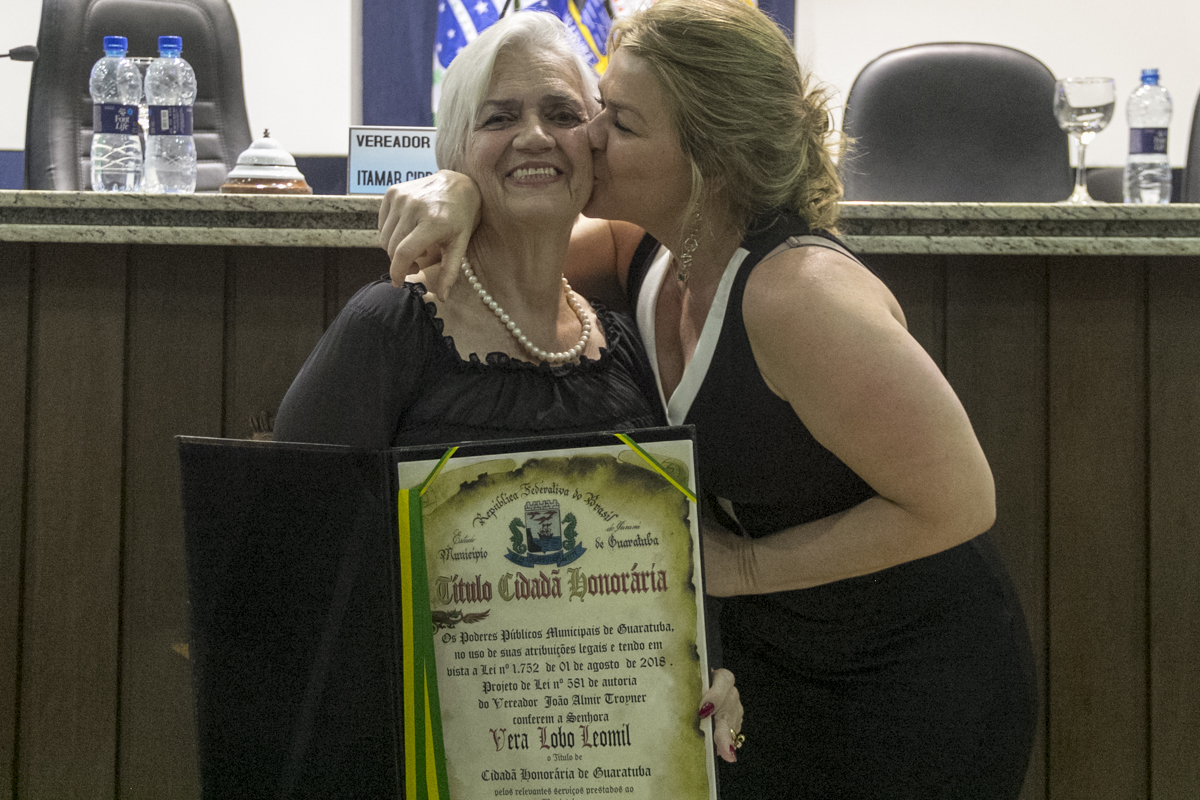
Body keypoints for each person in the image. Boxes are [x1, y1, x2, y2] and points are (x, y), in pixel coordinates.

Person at [376, 1, 1038, 798]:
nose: (589, 137)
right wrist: (457, 190)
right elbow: (509, 252)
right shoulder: (650, 249)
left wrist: (742, 566)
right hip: (777, 666)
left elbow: (961, 501)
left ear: (711, 158)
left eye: (620, 123)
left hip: (915, 675)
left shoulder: (800, 297)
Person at [272, 10, 743, 765]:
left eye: (562, 114)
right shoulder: (389, 327)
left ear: (594, 149)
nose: (534, 135)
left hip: (614, 761)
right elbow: (285, 552)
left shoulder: (627, 345)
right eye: (499, 118)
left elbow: (670, 567)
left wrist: (707, 669)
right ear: (454, 157)